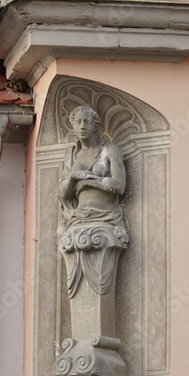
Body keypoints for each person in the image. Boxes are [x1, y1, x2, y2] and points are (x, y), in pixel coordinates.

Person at [57, 106, 129, 298]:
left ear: (95, 125)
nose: (82, 126)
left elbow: (119, 185)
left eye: (87, 121)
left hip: (105, 217)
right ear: (71, 124)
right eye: (78, 121)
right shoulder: (71, 155)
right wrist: (73, 177)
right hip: (77, 218)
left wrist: (88, 181)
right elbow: (63, 194)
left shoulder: (110, 150)